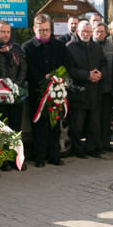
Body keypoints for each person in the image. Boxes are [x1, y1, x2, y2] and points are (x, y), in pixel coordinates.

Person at [23, 13, 70, 168]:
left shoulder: (58, 46)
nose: (45, 33)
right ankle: (40, 157)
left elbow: (65, 64)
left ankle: (54, 155)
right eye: (41, 30)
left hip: (56, 90)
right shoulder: (28, 47)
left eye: (47, 30)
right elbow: (27, 68)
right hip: (38, 92)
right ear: (34, 29)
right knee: (39, 125)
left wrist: (57, 76)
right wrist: (43, 78)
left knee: (55, 125)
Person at [65, 20, 106, 158]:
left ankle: (92, 148)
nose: (86, 34)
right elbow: (69, 69)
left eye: (89, 31)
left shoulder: (96, 47)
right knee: (77, 125)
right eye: (84, 31)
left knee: (94, 124)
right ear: (77, 31)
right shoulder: (70, 47)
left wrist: (100, 74)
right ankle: (77, 150)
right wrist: (87, 75)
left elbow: (104, 64)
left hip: (94, 91)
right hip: (78, 92)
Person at [0, 20, 28, 171]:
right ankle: (3, 160)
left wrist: (16, 85)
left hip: (15, 94)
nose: (6, 35)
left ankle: (16, 158)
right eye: (2, 32)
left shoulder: (16, 48)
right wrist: (2, 86)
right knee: (1, 128)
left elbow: (23, 68)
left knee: (15, 127)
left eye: (8, 32)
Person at [92, 22, 113, 152]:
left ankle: (106, 144)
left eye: (102, 31)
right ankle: (95, 145)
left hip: (108, 88)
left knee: (106, 118)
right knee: (95, 119)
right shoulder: (90, 46)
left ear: (106, 32)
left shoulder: (112, 47)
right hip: (93, 88)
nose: (100, 34)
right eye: (97, 31)